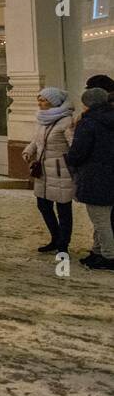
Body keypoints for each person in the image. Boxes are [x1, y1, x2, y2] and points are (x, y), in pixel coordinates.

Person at [22, 87, 75, 255]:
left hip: (61, 171)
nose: (40, 103)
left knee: (63, 209)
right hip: (43, 170)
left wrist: (68, 162)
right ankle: (55, 237)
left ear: (54, 102)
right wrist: (29, 151)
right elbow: (37, 140)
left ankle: (63, 244)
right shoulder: (42, 120)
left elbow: (74, 145)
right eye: (39, 100)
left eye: (43, 100)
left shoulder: (67, 121)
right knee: (43, 205)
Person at [66, 87, 114, 269]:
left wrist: (71, 160)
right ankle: (98, 251)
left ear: (87, 104)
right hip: (109, 175)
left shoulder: (88, 123)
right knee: (103, 218)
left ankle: (109, 255)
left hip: (95, 176)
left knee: (100, 220)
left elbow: (78, 152)